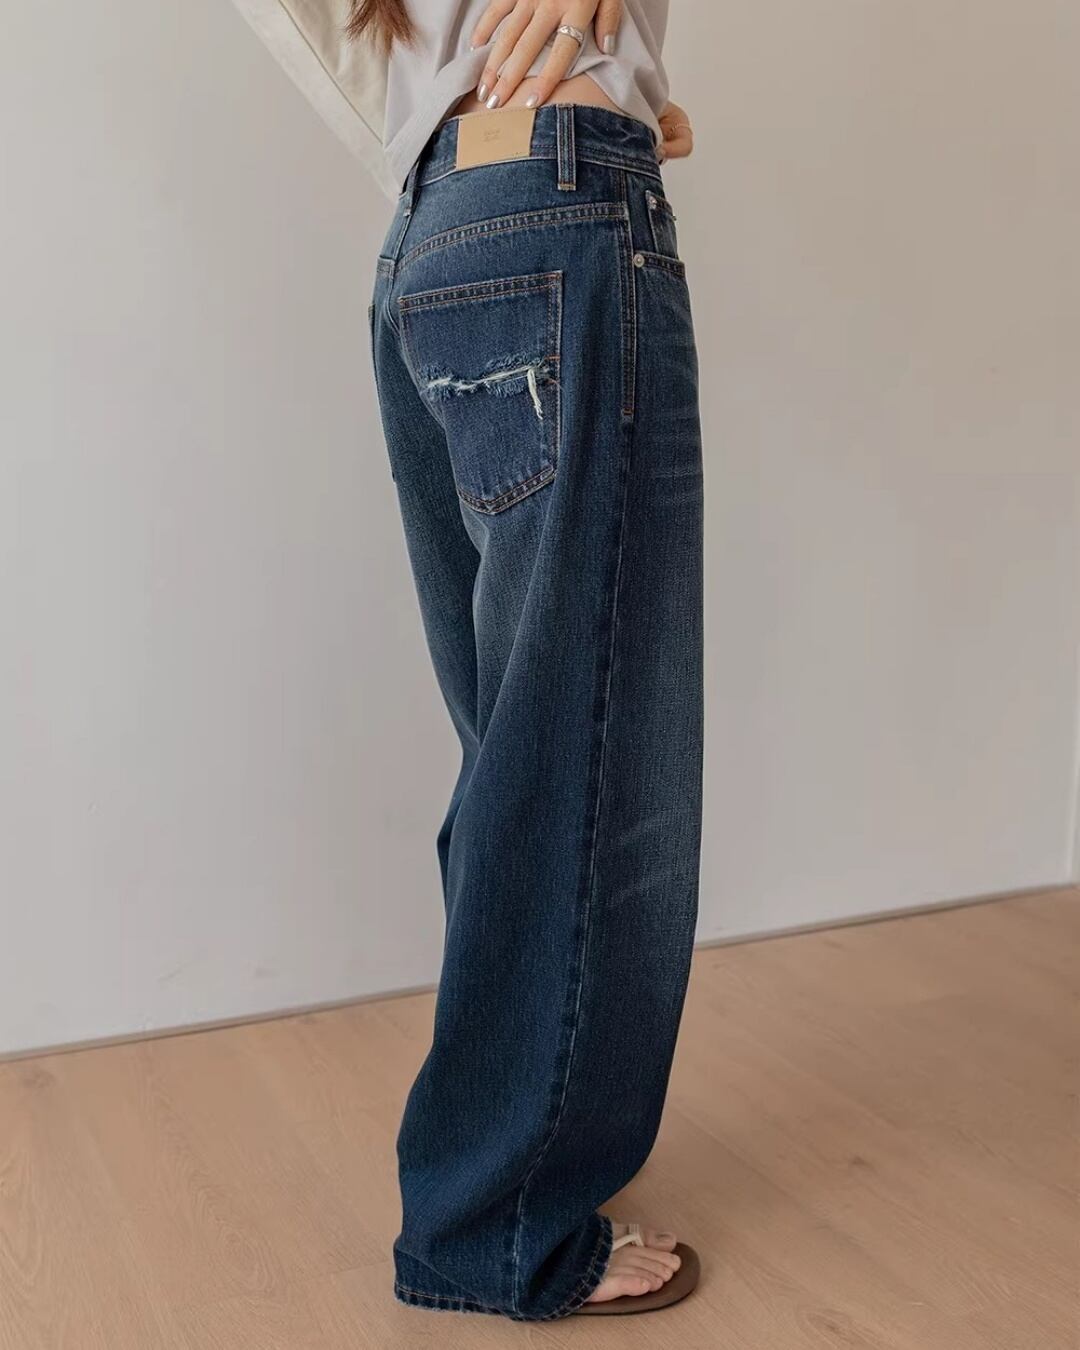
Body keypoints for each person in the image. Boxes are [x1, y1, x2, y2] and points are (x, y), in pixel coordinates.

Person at [244, 0, 704, 1320]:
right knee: (584, 770)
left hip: (434, 226)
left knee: (528, 750)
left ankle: (498, 1170)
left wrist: (472, 106)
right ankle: (495, 1223)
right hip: (556, 209)